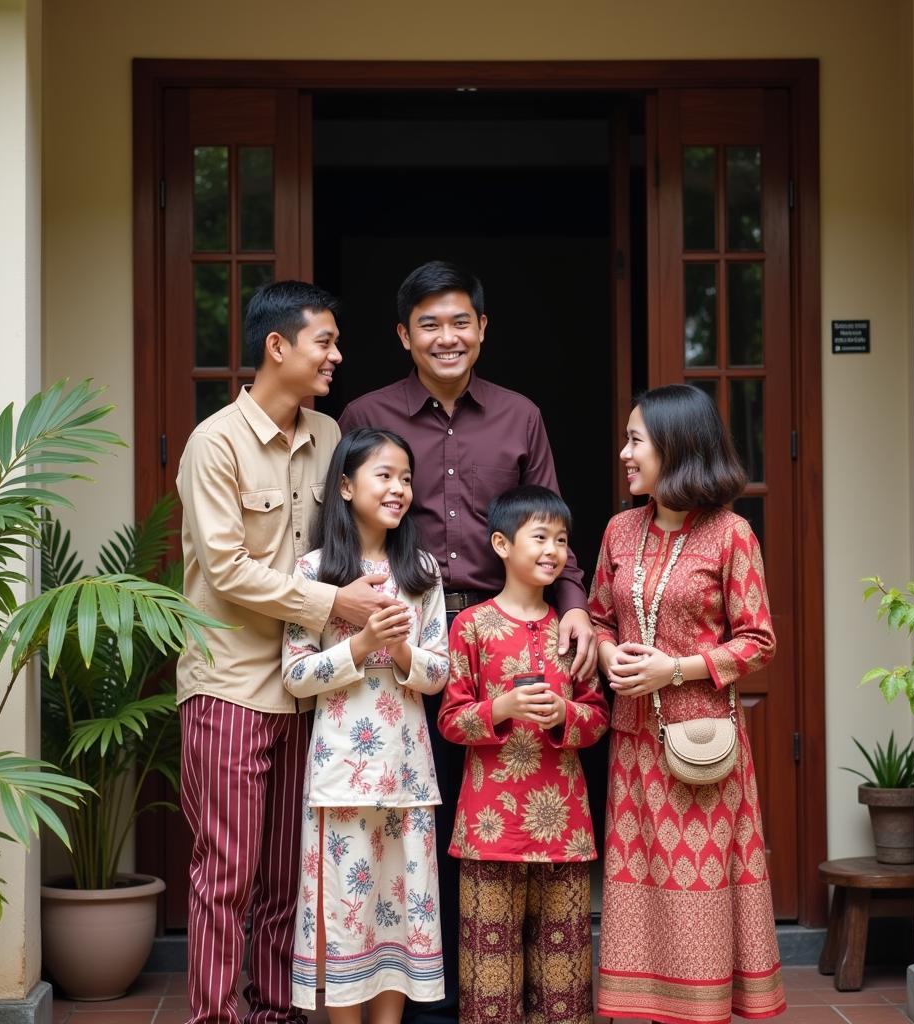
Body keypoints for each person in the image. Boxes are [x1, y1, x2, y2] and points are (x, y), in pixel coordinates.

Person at [338, 260, 598, 1010]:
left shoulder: (521, 415)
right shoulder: (365, 414)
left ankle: (488, 995)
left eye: (460, 322)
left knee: (496, 805)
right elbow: (342, 517)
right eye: (429, 324)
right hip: (404, 634)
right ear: (402, 336)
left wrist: (574, 602)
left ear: (482, 330)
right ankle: (430, 993)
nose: (446, 337)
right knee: (422, 813)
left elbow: (549, 520)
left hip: (503, 632)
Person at [176, 281, 401, 1024]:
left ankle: (276, 1012)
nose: (337, 356)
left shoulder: (333, 436)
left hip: (312, 690)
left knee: (284, 880)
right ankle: (215, 1017)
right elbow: (227, 569)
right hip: (231, 687)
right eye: (325, 342)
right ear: (278, 347)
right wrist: (336, 604)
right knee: (227, 877)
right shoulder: (215, 443)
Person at [589, 384, 786, 1024]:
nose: (625, 453)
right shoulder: (619, 530)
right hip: (632, 746)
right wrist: (607, 649)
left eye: (636, 440)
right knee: (638, 894)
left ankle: (702, 1014)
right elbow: (597, 617)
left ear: (676, 447)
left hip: (701, 749)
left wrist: (675, 668)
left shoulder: (732, 535)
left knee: (696, 894)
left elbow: (758, 643)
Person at [281, 428, 450, 1023]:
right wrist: (363, 646)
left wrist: (400, 653)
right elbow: (296, 675)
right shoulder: (313, 570)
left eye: (406, 478)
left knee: (400, 913)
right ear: (346, 486)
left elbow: (438, 673)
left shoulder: (422, 570)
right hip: (339, 778)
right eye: (384, 475)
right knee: (345, 913)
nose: (399, 488)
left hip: (408, 773)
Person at [437, 485, 609, 1024]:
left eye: (561, 539)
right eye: (540, 537)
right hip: (489, 833)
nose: (553, 550)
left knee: (565, 981)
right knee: (490, 983)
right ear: (501, 544)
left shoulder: (575, 630)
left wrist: (566, 717)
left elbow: (599, 717)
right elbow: (449, 720)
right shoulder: (469, 627)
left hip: (565, 829)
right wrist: (502, 707)